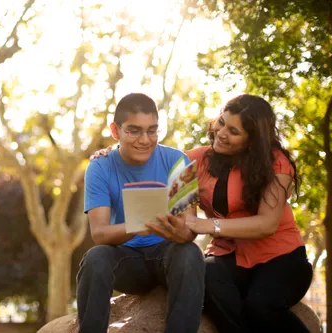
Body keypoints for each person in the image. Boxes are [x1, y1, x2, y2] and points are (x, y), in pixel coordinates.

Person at [92, 94, 313, 333]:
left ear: (252, 140)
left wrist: (205, 225)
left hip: (281, 258)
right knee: (204, 273)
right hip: (227, 258)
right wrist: (114, 152)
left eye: (234, 131)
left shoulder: (276, 162)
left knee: (260, 307)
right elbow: (155, 158)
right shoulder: (195, 160)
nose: (221, 132)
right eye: (221, 122)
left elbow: (267, 224)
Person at [77, 92, 205, 333]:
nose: (145, 140)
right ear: (115, 131)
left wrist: (181, 231)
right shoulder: (99, 167)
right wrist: (143, 224)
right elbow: (100, 234)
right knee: (95, 258)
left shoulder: (178, 161)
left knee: (190, 253)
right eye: (134, 131)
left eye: (152, 130)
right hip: (128, 261)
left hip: (168, 256)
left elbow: (190, 228)